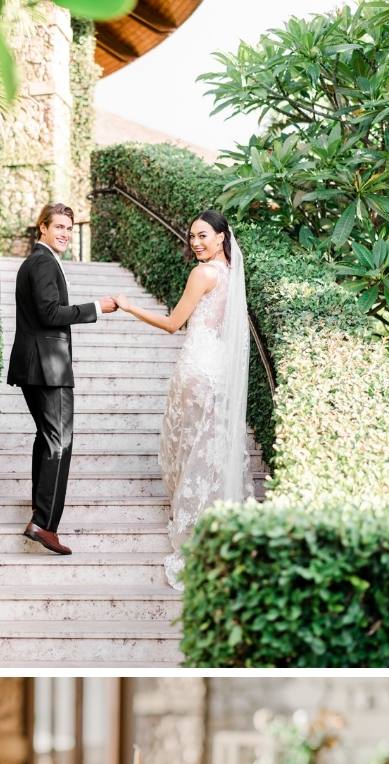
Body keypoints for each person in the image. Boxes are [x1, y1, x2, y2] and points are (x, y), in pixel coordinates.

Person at [114, 209, 252, 589]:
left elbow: (174, 323)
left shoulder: (203, 273)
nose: (195, 242)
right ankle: (219, 515)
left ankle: (195, 520)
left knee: (190, 444)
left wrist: (129, 306)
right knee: (209, 443)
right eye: (192, 236)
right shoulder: (231, 275)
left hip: (197, 368)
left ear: (222, 237)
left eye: (203, 235)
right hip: (218, 368)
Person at [6, 202, 118, 556]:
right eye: (58, 227)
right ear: (42, 227)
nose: (65, 234)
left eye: (69, 228)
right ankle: (43, 524)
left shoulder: (39, 261)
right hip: (47, 368)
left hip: (38, 365)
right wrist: (97, 308)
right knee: (60, 442)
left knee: (48, 438)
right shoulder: (41, 262)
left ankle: (40, 507)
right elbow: (50, 313)